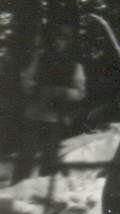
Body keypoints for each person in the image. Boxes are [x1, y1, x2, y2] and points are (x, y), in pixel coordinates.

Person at [14, 23, 86, 182]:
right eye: (57, 37)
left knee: (50, 158)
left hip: (56, 118)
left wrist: (64, 92)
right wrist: (36, 89)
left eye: (64, 39)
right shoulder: (39, 58)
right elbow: (26, 80)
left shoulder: (74, 65)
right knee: (26, 155)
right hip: (34, 114)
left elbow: (80, 92)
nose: (59, 42)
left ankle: (43, 194)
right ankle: (16, 191)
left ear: (68, 42)